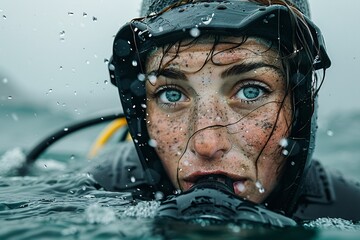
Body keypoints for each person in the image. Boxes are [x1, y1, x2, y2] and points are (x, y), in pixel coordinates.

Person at [90, 0, 360, 222]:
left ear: (299, 106)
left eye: (250, 91)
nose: (207, 144)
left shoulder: (349, 210)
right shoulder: (101, 195)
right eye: (171, 94)